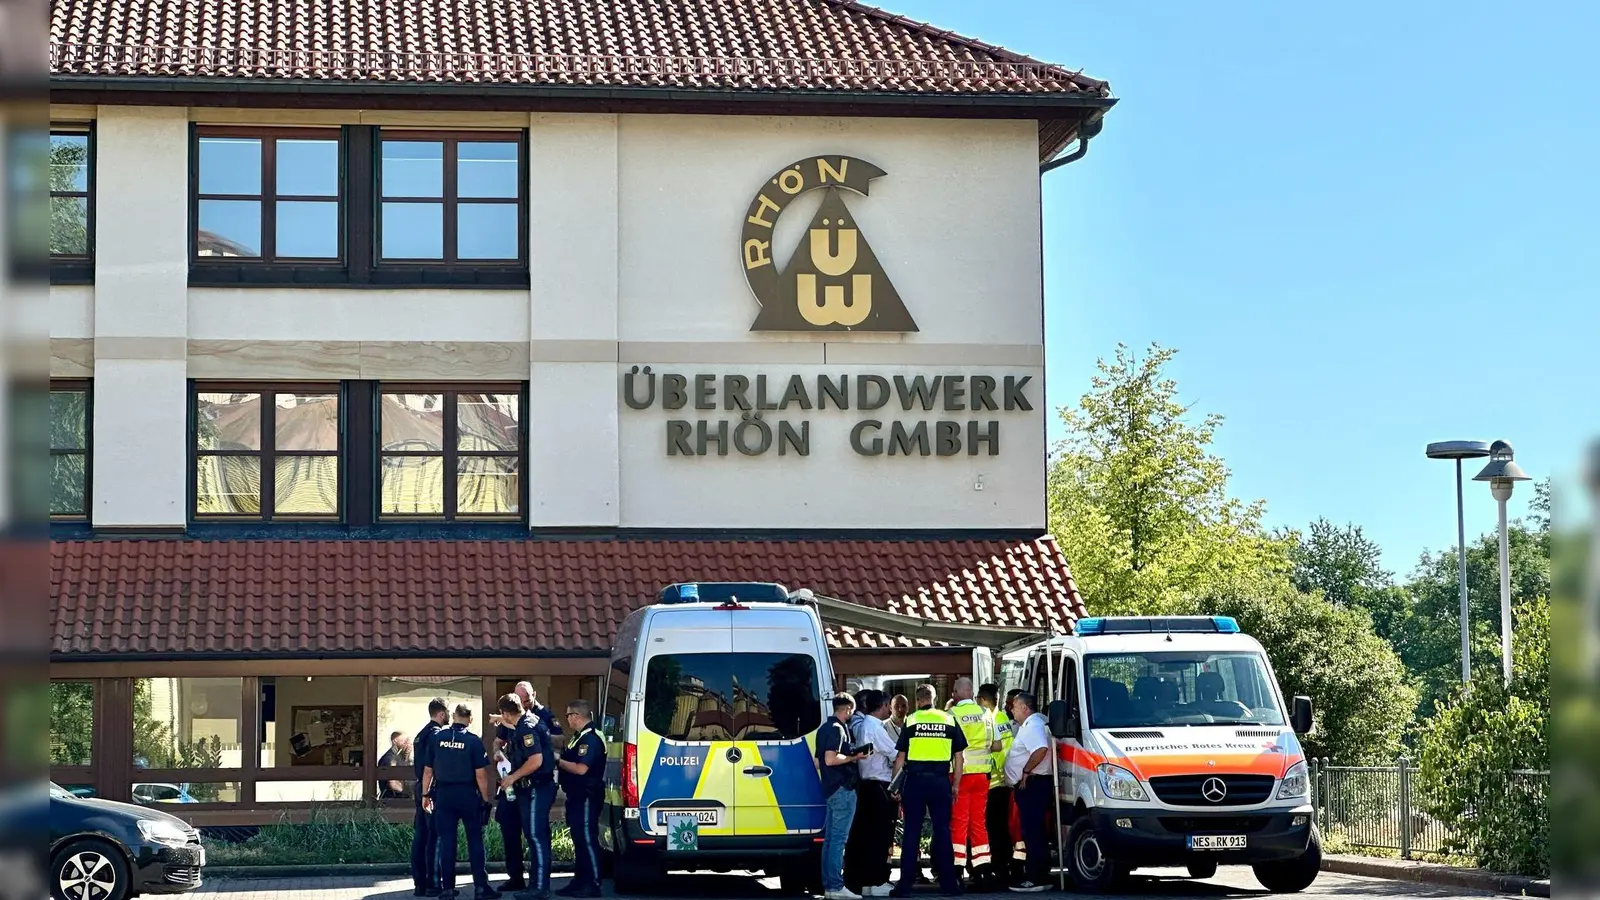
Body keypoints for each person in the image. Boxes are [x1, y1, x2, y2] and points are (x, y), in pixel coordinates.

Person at [890, 684, 966, 897]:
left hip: (914, 782)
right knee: (942, 831)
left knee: (911, 832)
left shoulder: (911, 720)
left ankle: (904, 886)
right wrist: (956, 785)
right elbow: (959, 757)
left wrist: (895, 786)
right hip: (940, 782)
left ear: (917, 700)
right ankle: (949, 885)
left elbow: (900, 758)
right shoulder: (948, 719)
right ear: (934, 699)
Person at [422, 704, 501, 900]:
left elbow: (427, 770)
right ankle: (481, 888)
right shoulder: (473, 741)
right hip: (467, 795)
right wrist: (484, 799)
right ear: (470, 719)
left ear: (455, 716)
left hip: (443, 796)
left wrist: (425, 794)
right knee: (475, 842)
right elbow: (481, 775)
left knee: (447, 842)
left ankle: (447, 889)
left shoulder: (437, 738)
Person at [495, 694, 555, 900]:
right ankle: (533, 884)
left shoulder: (526, 727)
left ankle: (539, 887)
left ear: (505, 713)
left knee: (536, 836)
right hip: (533, 787)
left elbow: (536, 760)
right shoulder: (530, 720)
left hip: (537, 787)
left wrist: (512, 777)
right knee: (535, 835)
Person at [948, 678, 1001, 889]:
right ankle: (983, 872)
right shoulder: (987, 714)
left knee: (959, 823)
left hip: (960, 776)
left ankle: (956, 871)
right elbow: (996, 745)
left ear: (956, 693)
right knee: (978, 823)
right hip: (982, 777)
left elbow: (949, 748)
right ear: (971, 693)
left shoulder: (952, 715)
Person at [844, 690, 897, 898]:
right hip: (878, 786)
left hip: (867, 786)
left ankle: (865, 881)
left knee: (865, 836)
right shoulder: (875, 727)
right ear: (883, 706)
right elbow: (894, 752)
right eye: (889, 706)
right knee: (879, 836)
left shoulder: (865, 725)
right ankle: (876, 881)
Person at [817, 694, 866, 900]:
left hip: (829, 789)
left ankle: (830, 886)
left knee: (829, 841)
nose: (852, 714)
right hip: (843, 789)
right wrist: (856, 756)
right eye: (851, 711)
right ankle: (836, 887)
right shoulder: (838, 729)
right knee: (838, 841)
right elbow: (829, 759)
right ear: (847, 709)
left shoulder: (822, 729)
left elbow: (818, 762)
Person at [556, 700, 606, 899]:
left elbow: (580, 768)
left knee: (587, 839)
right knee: (579, 840)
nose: (567, 718)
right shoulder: (579, 737)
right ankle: (579, 880)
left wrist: (557, 760)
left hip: (587, 795)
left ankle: (593, 883)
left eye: (568, 715)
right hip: (577, 796)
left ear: (576, 716)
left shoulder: (590, 739)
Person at [1004, 692, 1051, 894]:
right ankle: (1040, 874)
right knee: (1035, 831)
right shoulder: (1033, 724)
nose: (1011, 709)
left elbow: (1040, 749)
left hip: (1032, 784)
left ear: (1025, 707)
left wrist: (1025, 771)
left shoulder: (1033, 726)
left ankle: (1035, 878)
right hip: (1033, 784)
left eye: (1014, 706)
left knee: (1033, 832)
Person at [412, 699, 450, 897]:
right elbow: (433, 766)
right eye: (448, 711)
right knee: (433, 837)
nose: (450, 715)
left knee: (421, 837)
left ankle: (420, 883)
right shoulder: (436, 735)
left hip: (420, 787)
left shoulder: (421, 734)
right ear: (441, 714)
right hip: (430, 790)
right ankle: (433, 883)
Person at [978, 684, 1015, 885]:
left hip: (992, 784)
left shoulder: (991, 720)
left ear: (983, 700)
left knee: (993, 829)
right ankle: (1002, 867)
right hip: (1002, 783)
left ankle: (997, 868)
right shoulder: (1002, 719)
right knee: (1000, 828)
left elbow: (999, 753)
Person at [380, 731, 412, 800]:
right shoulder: (389, 758)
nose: (404, 743)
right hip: (390, 799)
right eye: (403, 740)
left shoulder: (396, 757)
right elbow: (392, 783)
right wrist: (407, 793)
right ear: (395, 741)